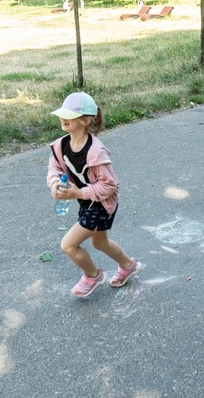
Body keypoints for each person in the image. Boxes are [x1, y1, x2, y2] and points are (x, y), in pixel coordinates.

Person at [47, 92, 142, 298]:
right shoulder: (60, 145)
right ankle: (128, 266)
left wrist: (79, 192)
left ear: (85, 120)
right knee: (100, 243)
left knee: (68, 245)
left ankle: (93, 275)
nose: (63, 118)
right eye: (62, 114)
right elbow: (54, 169)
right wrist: (55, 184)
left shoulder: (96, 151)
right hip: (86, 201)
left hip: (102, 204)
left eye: (69, 115)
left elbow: (109, 185)